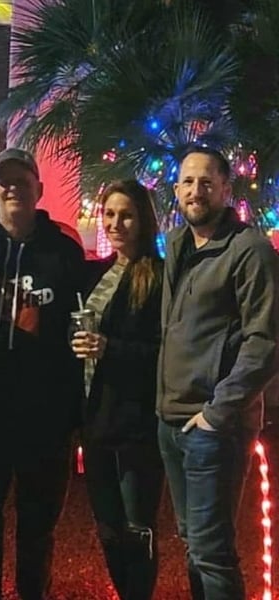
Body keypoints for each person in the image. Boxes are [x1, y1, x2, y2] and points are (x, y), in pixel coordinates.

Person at [0, 147, 84, 600]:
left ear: (38, 190)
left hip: (43, 415)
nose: (13, 188)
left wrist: (71, 409)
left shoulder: (63, 252)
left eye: (22, 181)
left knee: (38, 525)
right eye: (4, 181)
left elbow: (79, 325)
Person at [157, 146, 279, 600]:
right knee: (194, 546)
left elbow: (264, 342)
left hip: (214, 427)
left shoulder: (249, 250)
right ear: (176, 190)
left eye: (207, 182)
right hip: (172, 420)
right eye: (188, 182)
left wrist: (216, 414)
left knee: (212, 554)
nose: (196, 191)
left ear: (226, 190)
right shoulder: (177, 245)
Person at [70, 180, 164, 600]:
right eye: (109, 214)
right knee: (108, 528)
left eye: (126, 215)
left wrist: (111, 348)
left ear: (143, 219)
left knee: (137, 527)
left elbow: (164, 352)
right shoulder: (97, 273)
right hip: (96, 419)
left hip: (136, 422)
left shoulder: (159, 277)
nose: (115, 223)